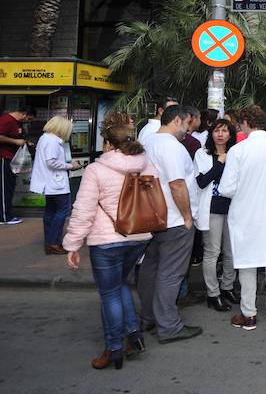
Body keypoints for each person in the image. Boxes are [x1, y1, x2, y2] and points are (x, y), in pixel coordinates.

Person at [63, 123, 152, 370]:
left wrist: (72, 244)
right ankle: (134, 336)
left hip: (107, 241)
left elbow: (83, 210)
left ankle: (114, 348)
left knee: (109, 293)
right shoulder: (146, 165)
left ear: (109, 144)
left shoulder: (96, 170)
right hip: (138, 236)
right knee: (120, 283)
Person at [218, 105, 266, 331]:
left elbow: (226, 188)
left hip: (245, 215)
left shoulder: (238, 151)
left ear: (244, 122)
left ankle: (249, 314)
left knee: (247, 265)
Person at [137, 105, 203, 343]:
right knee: (170, 274)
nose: (188, 130)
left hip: (152, 217)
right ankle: (169, 326)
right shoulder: (171, 146)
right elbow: (177, 184)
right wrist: (187, 217)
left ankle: (147, 317)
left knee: (150, 269)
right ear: (177, 121)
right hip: (174, 219)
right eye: (186, 124)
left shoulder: (148, 142)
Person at [194, 118, 238, 313]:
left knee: (231, 252)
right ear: (211, 133)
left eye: (225, 131)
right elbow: (202, 182)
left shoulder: (237, 153)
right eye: (216, 130)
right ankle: (213, 293)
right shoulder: (202, 154)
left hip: (235, 208)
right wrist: (219, 163)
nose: (220, 134)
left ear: (231, 134)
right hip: (211, 208)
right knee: (213, 252)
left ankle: (227, 287)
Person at [31, 116, 82, 253]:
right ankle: (53, 243)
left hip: (49, 183)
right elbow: (51, 162)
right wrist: (70, 166)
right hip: (55, 183)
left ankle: (49, 241)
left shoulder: (44, 138)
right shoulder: (53, 141)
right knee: (63, 210)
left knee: (50, 211)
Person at [0, 104, 36, 225]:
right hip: (4, 158)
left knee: (9, 187)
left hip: (12, 158)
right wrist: (15, 141)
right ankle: (4, 217)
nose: (28, 121)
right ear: (24, 114)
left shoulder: (17, 123)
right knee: (4, 188)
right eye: (29, 119)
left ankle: (7, 214)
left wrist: (25, 142)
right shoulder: (7, 120)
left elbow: (16, 137)